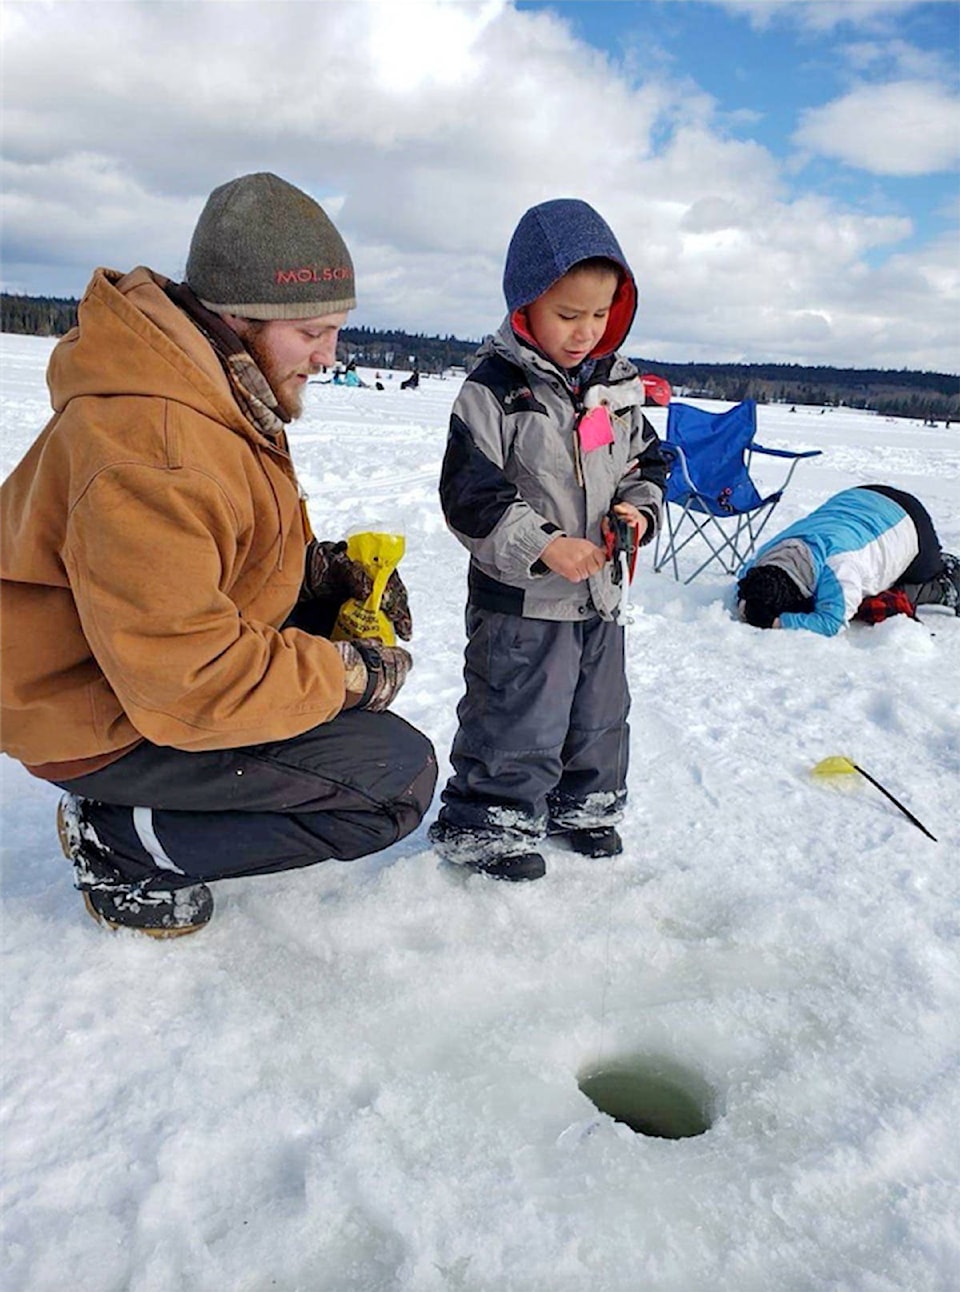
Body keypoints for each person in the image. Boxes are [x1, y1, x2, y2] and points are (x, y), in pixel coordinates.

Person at [0, 172, 437, 937]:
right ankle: (120, 842)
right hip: (93, 709)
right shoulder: (154, 450)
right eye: (311, 333)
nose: (331, 356)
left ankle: (144, 815)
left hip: (128, 668)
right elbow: (187, 682)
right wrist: (346, 678)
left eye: (335, 328)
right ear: (238, 317)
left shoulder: (212, 386)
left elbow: (212, 561)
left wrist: (323, 575)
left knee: (327, 639)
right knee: (391, 781)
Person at [428, 198, 667, 881]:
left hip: (600, 590)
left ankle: (583, 804)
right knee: (516, 711)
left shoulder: (617, 387)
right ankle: (489, 822)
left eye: (600, 314)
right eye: (568, 314)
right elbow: (467, 491)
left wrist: (637, 510)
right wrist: (541, 543)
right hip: (522, 600)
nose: (585, 331)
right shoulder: (494, 389)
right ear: (525, 304)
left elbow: (646, 465)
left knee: (598, 707)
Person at [737, 484, 959, 635]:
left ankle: (943, 584)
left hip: (912, 523)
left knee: (891, 588)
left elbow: (831, 623)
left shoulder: (838, 569)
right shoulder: (768, 554)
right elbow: (743, 577)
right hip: (860, 496)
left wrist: (776, 622)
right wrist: (747, 602)